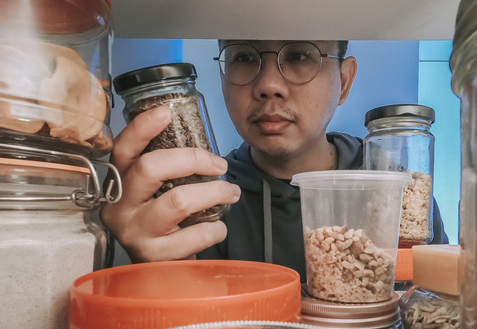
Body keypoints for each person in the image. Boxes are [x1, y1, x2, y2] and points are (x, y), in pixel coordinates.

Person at [102, 40, 449, 279]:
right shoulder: (194, 200)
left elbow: (431, 314)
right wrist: (147, 269)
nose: (268, 84)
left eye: (299, 56)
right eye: (244, 57)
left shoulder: (397, 188)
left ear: (344, 81)